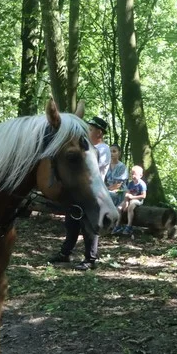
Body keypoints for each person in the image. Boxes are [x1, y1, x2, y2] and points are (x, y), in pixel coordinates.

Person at [48, 115, 111, 271]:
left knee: (89, 225)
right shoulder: (87, 146)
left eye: (90, 129)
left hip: (93, 192)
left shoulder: (103, 149)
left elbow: (90, 165)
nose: (87, 131)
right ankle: (65, 253)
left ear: (99, 132)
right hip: (80, 191)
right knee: (72, 223)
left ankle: (90, 259)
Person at [116, 166, 147, 235]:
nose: (133, 176)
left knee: (131, 207)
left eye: (135, 174)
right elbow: (127, 193)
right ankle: (118, 225)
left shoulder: (142, 184)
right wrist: (126, 202)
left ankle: (129, 226)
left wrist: (132, 197)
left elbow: (143, 196)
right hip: (130, 199)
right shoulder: (130, 183)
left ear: (140, 175)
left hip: (138, 200)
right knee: (119, 208)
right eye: (132, 174)